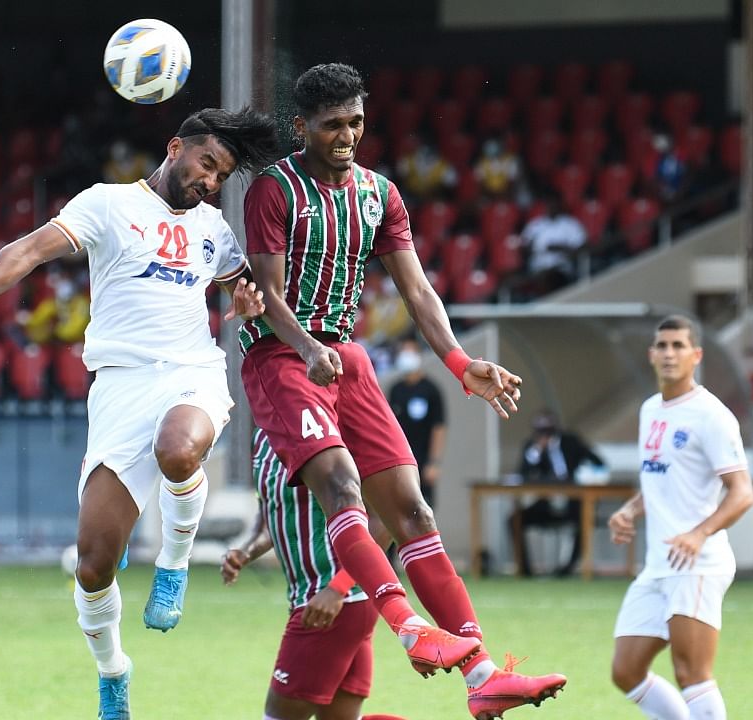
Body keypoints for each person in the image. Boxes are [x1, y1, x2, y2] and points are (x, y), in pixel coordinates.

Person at [0, 106, 278, 720]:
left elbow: (249, 292)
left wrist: (247, 301)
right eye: (207, 164)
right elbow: (28, 250)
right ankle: (113, 673)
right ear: (175, 148)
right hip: (118, 389)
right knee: (93, 561)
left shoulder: (214, 229)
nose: (212, 181)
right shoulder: (108, 204)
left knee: (180, 449)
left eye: (223, 174)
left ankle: (175, 564)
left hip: (190, 373)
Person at [240, 62, 565, 718]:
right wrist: (308, 348)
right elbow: (268, 295)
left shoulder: (379, 194)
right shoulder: (275, 190)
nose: (347, 134)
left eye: (356, 121)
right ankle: (409, 625)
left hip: (347, 360)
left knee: (414, 512)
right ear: (302, 127)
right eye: (332, 124)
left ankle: (481, 677)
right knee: (341, 486)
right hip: (283, 358)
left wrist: (457, 360)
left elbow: (417, 289)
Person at [608, 315, 753, 720]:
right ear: (651, 355)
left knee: (692, 673)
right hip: (658, 564)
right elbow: (658, 477)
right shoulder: (650, 409)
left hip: (697, 564)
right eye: (663, 346)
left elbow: (742, 493)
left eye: (678, 346)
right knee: (626, 670)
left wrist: (698, 534)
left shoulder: (711, 415)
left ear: (696, 355)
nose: (669, 353)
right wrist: (630, 510)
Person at [222, 429, 407, 720]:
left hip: (335, 600)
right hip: (319, 599)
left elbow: (385, 519)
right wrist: (246, 551)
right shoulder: (261, 438)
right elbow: (272, 514)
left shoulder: (333, 428)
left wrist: (339, 586)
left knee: (279, 714)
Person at [508, 410, 606, 577]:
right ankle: (525, 570)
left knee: (585, 517)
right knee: (514, 520)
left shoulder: (570, 442)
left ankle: (567, 569)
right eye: (540, 433)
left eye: (548, 432)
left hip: (572, 503)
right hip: (545, 504)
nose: (544, 437)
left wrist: (584, 476)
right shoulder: (531, 447)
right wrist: (536, 453)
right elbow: (522, 474)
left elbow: (598, 462)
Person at [386, 338, 447, 509]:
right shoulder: (395, 389)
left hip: (423, 460)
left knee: (423, 508)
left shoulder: (430, 389)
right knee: (399, 508)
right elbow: (390, 427)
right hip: (401, 460)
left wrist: (434, 462)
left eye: (409, 352)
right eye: (402, 352)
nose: (405, 357)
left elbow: (439, 427)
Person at [520, 199, 586, 294]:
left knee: (551, 277)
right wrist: (531, 247)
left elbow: (581, 247)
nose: (551, 208)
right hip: (538, 268)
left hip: (562, 268)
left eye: (554, 205)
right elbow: (524, 247)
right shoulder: (535, 225)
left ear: (559, 206)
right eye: (549, 206)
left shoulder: (570, 224)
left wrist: (559, 247)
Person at [24, 270, 91, 344]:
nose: (63, 302)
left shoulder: (82, 305)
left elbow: (74, 330)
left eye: (67, 300)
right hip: (62, 332)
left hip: (80, 337)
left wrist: (57, 330)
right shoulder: (56, 303)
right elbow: (44, 311)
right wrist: (30, 320)